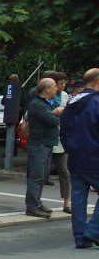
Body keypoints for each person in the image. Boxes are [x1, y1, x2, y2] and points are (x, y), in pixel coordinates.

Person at [59, 67, 99, 248]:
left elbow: (64, 130)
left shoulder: (73, 102)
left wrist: (71, 148)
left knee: (79, 197)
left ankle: (81, 238)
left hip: (75, 157)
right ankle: (93, 230)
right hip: (95, 156)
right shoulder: (97, 102)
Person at [23, 78, 63, 218]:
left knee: (43, 176)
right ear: (47, 89)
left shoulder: (48, 103)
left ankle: (37, 202)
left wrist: (57, 111)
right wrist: (57, 113)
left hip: (46, 144)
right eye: (54, 86)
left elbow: (56, 114)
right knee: (36, 176)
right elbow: (53, 121)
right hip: (39, 145)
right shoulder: (37, 104)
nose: (57, 89)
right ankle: (32, 206)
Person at [47, 72, 71, 212]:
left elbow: (70, 113)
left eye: (64, 82)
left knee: (64, 171)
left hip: (61, 138)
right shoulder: (45, 96)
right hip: (47, 137)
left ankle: (66, 202)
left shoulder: (65, 96)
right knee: (42, 173)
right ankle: (35, 203)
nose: (63, 85)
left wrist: (63, 110)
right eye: (61, 82)